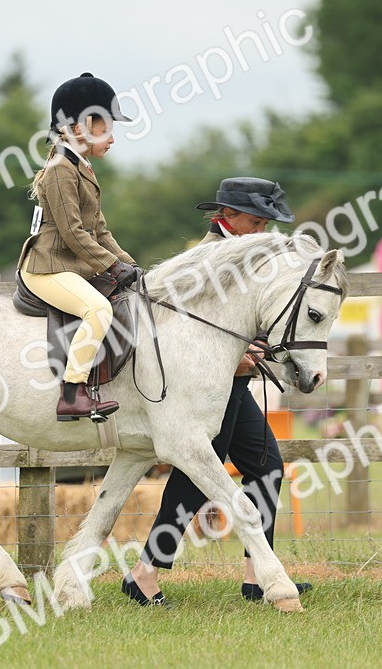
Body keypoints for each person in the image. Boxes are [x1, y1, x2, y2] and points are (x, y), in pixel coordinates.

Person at [123, 177, 312, 605]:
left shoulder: (252, 257)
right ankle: (145, 572)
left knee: (266, 466)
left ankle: (255, 577)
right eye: (256, 221)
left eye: (267, 223)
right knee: (195, 476)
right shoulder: (203, 259)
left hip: (235, 383)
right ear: (226, 216)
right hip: (200, 386)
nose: (263, 231)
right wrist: (234, 356)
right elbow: (181, 326)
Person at [18, 72, 139, 423]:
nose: (113, 138)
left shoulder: (80, 166)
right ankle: (73, 393)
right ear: (85, 124)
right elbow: (72, 232)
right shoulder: (59, 169)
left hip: (70, 264)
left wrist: (131, 265)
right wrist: (111, 266)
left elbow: (99, 230)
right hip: (48, 266)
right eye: (108, 127)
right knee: (98, 310)